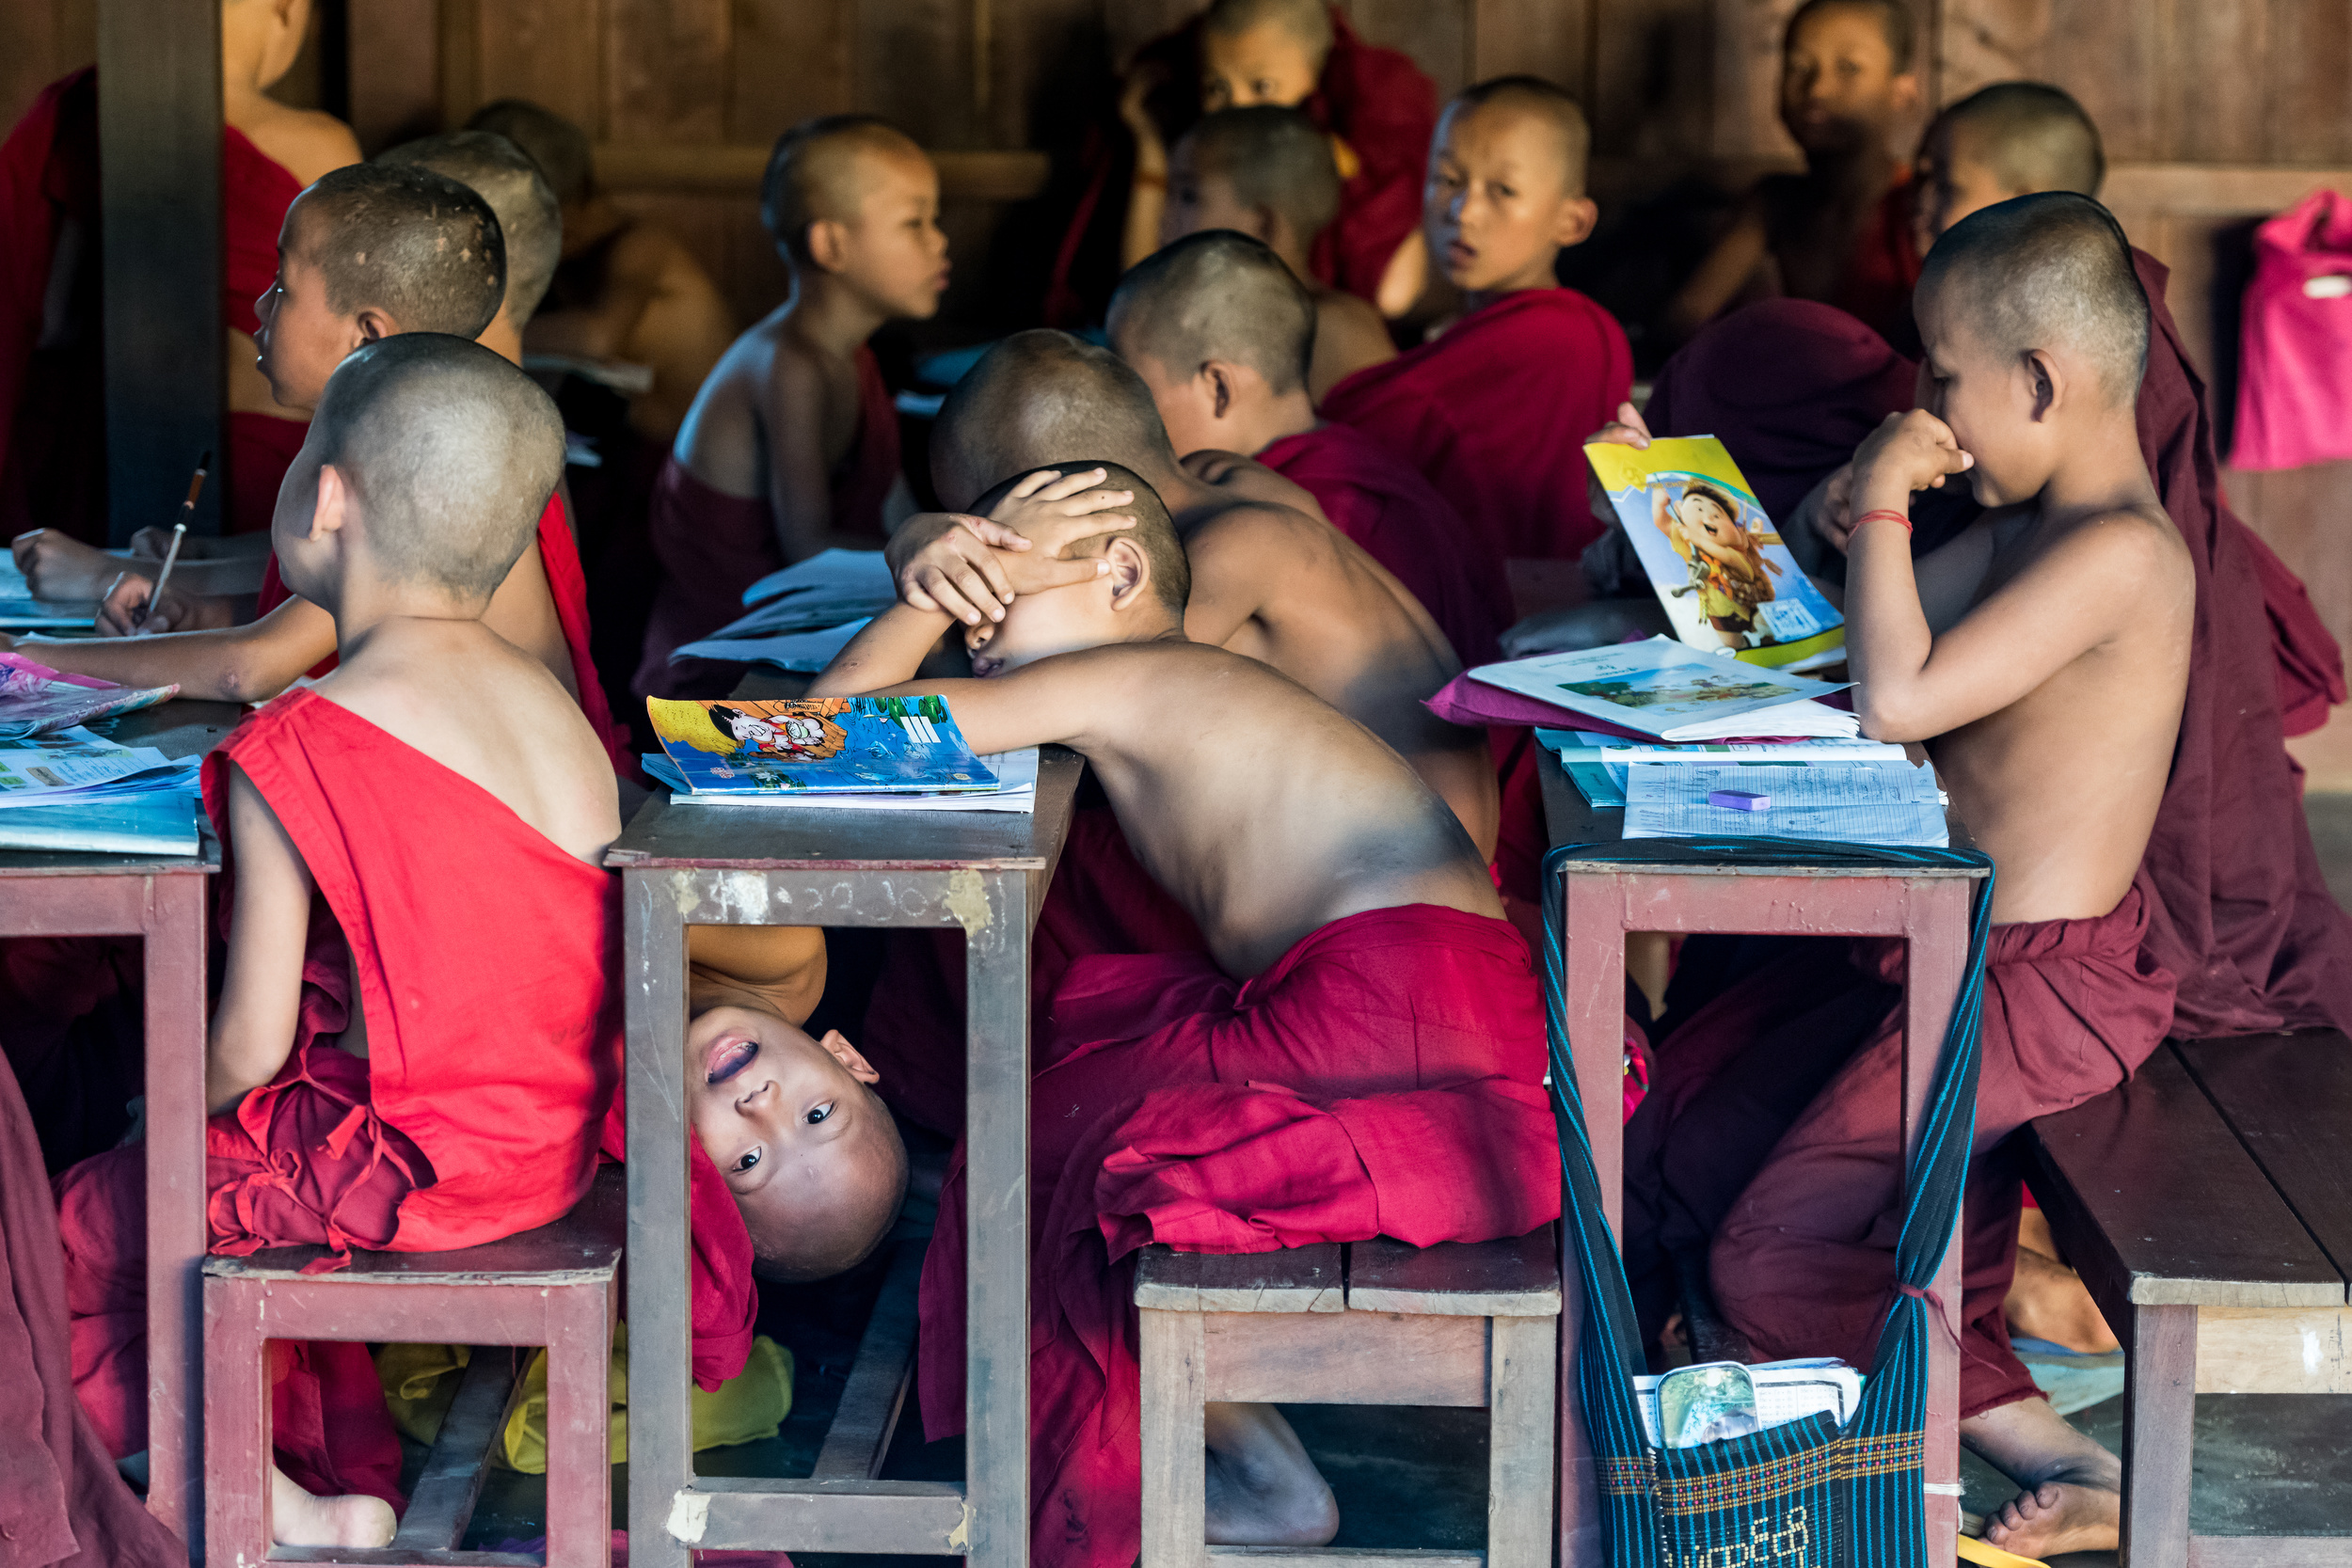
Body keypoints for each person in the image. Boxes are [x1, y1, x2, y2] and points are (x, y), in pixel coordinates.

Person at [808, 462, 1553, 1568]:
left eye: (993, 586)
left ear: (1119, 573)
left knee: (1042, 1142)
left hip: (1389, 1004)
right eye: (960, 599)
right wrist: (933, 554)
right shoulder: (1160, 675)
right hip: (1431, 998)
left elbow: (812, 737)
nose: (972, 622)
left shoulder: (1126, 674)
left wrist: (916, 591)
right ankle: (1249, 1467)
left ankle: (1163, 1489)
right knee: (1069, 1101)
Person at [1640, 195, 2194, 1560]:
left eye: (1943, 379)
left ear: (2040, 382)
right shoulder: (2021, 530)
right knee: (1681, 1146)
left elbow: (1899, 698)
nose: (1927, 409)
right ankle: (1836, 1416)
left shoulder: (2119, 554)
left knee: (1763, 1253)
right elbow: (1830, 654)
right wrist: (1838, 518)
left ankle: (2048, 1453)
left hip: (2037, 988)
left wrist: (1888, 491)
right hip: (1940, 953)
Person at [54, 336, 618, 1548]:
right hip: (548, 1152)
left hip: (403, 1168)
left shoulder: (302, 737)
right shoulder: (556, 709)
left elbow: (250, 1043)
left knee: (66, 1230)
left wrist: (159, 1117)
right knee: (173, 1192)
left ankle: (255, 1494)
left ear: (325, 500)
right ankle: (229, 1463)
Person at [0, 161, 632, 773]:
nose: (259, 307)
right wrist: (201, 607)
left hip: (509, 795)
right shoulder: (397, 434)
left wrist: (24, 657)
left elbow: (249, 666)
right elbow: (320, 608)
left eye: (282, 286)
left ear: (366, 336)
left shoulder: (428, 466)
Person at [5, 0, 359, 591]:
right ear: (287, 8)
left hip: (119, 439)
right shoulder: (316, 143)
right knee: (285, 586)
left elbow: (56, 320)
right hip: (271, 440)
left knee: (123, 611)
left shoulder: (98, 120)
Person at [634, 114, 939, 701]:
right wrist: (936, 556)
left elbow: (898, 510)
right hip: (723, 666)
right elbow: (808, 547)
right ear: (831, 245)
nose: (939, 241)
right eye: (914, 222)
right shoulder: (787, 367)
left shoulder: (856, 358)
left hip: (801, 643)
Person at [1107, 228, 1503, 665]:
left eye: (1131, 387)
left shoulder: (1327, 511)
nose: (1116, 409)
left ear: (1219, 387)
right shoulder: (1355, 460)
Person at [1320, 74, 1631, 566]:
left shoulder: (1561, 336)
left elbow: (1361, 438)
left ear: (1572, 221)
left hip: (1531, 597)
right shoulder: (1469, 331)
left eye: (1503, 190)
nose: (1464, 212)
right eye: (1447, 180)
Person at [1072, 0, 1435, 327]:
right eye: (1217, 88)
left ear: (1315, 75)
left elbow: (1393, 294)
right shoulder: (1202, 152)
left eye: (1262, 87)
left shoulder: (1342, 151)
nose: (1237, 108)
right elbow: (1143, 295)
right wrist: (1148, 143)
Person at [463, 98, 735, 449]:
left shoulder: (642, 247)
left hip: (689, 454)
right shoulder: (562, 260)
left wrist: (470, 333)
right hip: (621, 445)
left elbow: (597, 339)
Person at [1663, 0, 1924, 348]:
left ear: (1902, 92)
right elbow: (1685, 321)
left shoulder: (1919, 209)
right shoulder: (1775, 203)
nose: (1817, 90)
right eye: (1798, 67)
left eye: (1849, 67)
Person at [1156, 107, 1395, 397]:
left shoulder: (1329, 330)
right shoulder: (1197, 318)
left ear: (1263, 224)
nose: (1163, 217)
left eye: (1188, 196)